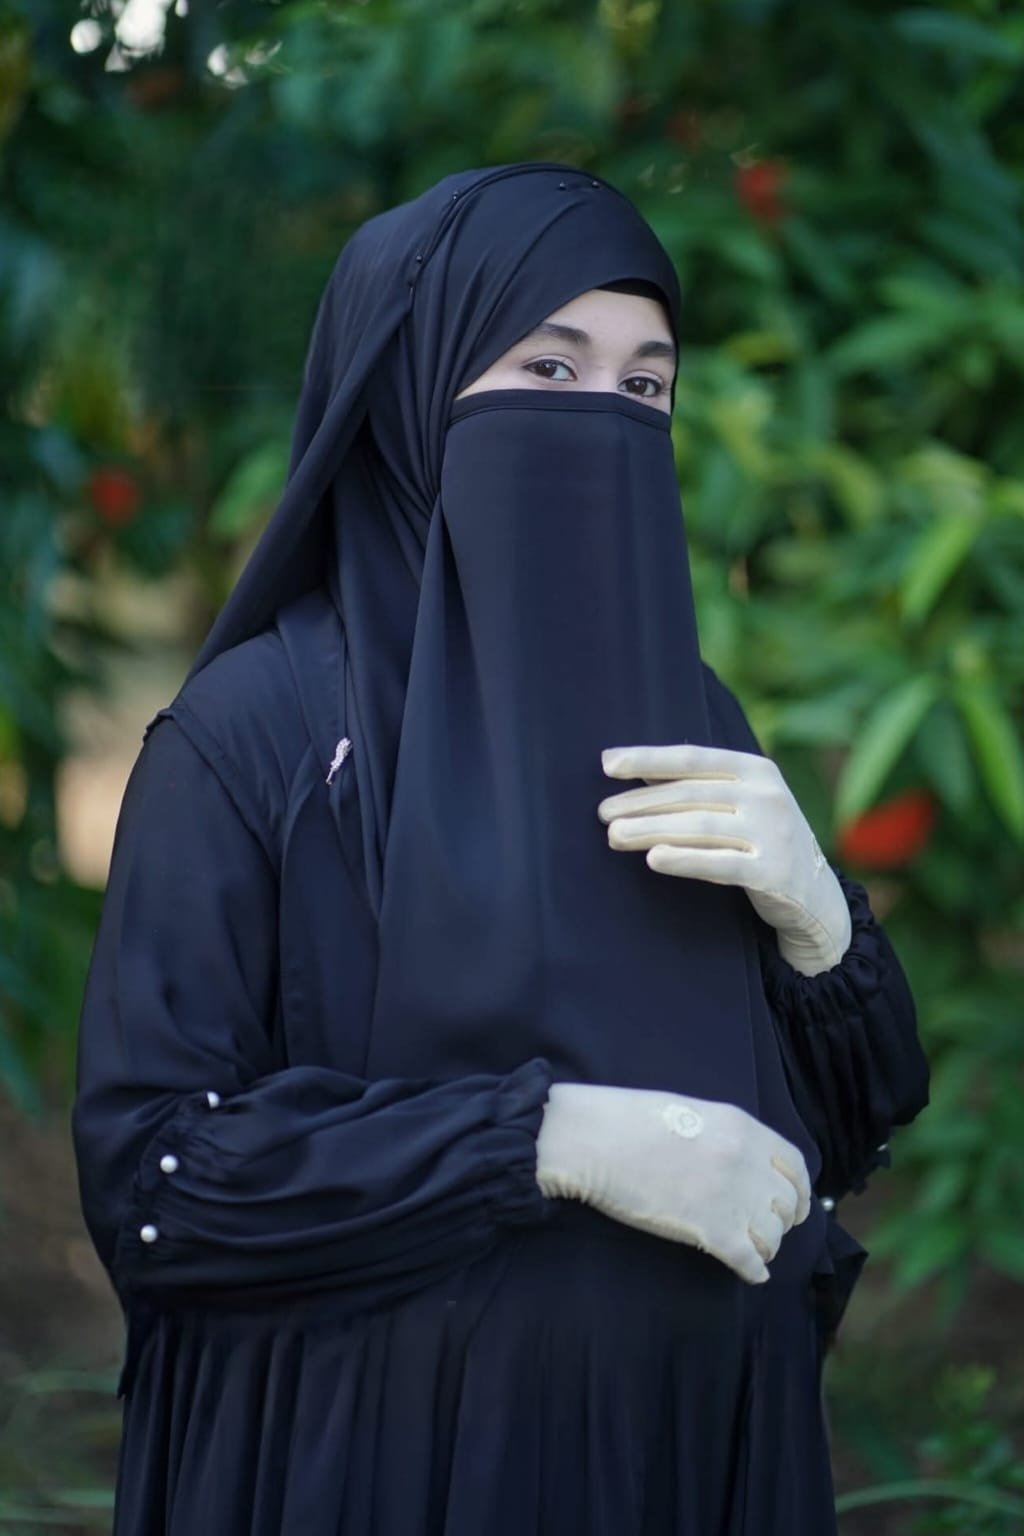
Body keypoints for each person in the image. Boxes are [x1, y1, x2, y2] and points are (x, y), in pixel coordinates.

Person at [72, 162, 930, 1535]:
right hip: (374, 1471)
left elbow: (845, 1127)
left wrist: (821, 927)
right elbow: (158, 1183)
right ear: (411, 391)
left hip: (681, 1464)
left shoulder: (685, 718)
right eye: (548, 366)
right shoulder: (258, 735)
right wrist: (548, 1140)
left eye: (643, 386)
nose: (602, 417)